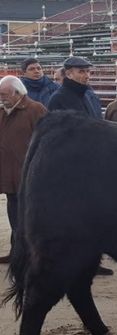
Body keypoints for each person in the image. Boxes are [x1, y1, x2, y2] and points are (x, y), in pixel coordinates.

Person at [47, 56, 113, 275]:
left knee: (96, 217)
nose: (86, 75)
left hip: (95, 164)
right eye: (81, 71)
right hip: (73, 169)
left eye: (88, 71)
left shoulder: (90, 96)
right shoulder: (58, 98)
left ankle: (93, 261)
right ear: (68, 73)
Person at [0, 76, 47, 264]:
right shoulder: (2, 112)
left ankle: (33, 255)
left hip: (30, 176)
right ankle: (17, 253)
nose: (1, 98)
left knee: (31, 219)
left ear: (18, 93)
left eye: (4, 94)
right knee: (14, 217)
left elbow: (47, 141)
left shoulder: (36, 110)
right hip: (9, 177)